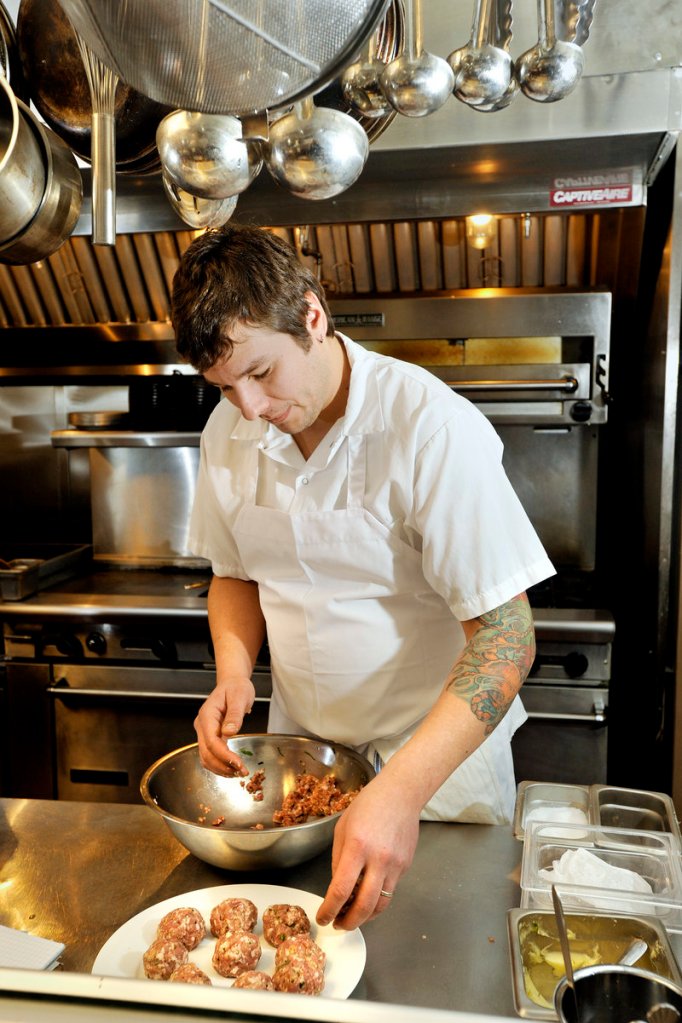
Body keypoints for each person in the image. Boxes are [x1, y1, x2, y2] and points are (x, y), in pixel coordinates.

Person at [171, 223, 555, 931]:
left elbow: (507, 636)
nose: (250, 408)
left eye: (260, 373)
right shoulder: (229, 432)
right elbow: (236, 574)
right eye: (224, 387)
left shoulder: (429, 426)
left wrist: (401, 790)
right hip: (303, 773)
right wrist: (233, 672)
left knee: (439, 968)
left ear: (312, 316)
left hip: (437, 780)